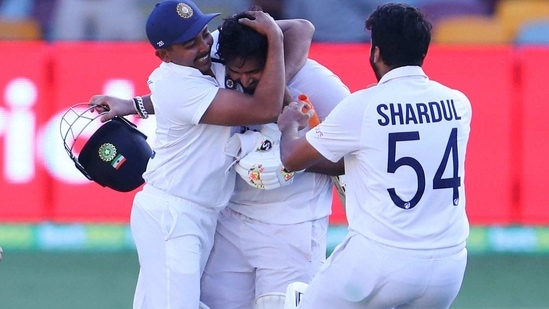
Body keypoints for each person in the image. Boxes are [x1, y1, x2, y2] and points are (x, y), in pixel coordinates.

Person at [89, 1, 314, 308]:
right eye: (188, 44)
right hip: (173, 213)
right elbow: (265, 109)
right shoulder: (175, 85)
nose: (204, 46)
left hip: (200, 214)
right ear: (164, 55)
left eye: (204, 33)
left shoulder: (207, 51)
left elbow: (302, 29)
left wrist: (133, 105)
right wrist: (273, 42)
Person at [277, 3, 472, 309]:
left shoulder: (365, 105)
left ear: (376, 53)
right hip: (449, 265)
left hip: (379, 261)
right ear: (423, 50)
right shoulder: (458, 104)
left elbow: (291, 158)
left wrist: (290, 125)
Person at [199, 12, 349, 309]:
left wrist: (289, 160)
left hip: (293, 226)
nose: (242, 82)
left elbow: (352, 160)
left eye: (253, 73)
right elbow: (301, 28)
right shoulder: (219, 66)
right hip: (230, 221)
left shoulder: (319, 84)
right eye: (235, 74)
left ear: (272, 56)